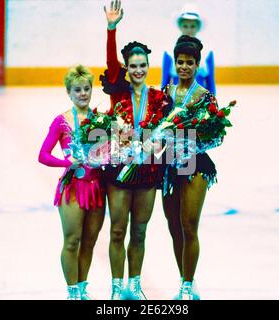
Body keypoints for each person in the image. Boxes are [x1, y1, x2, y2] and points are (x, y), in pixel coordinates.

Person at [101, 0, 170, 300]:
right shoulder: (117, 89)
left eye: (143, 66)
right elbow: (109, 62)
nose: (138, 70)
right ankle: (117, 287)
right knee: (118, 230)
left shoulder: (158, 98)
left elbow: (168, 132)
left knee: (139, 232)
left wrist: (161, 143)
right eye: (133, 66)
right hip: (119, 168)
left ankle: (134, 285)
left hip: (148, 171)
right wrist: (112, 29)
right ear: (126, 68)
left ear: (148, 67)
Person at [38, 65, 106, 300]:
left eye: (87, 88)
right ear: (69, 92)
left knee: (89, 241)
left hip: (97, 186)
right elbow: (43, 155)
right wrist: (67, 163)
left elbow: (109, 151)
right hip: (73, 187)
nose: (83, 93)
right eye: (77, 90)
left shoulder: (100, 120)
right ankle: (72, 292)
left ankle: (83, 288)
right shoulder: (61, 121)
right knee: (72, 240)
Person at [162, 35, 217, 300]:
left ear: (197, 65)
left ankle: (186, 286)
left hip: (195, 164)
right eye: (180, 62)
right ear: (175, 63)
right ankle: (185, 279)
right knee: (173, 225)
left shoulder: (205, 96)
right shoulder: (166, 94)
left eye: (190, 62)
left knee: (188, 224)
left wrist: (190, 147)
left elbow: (216, 136)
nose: (184, 67)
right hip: (168, 166)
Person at [161, 4, 216, 94]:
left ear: (198, 27)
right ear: (180, 26)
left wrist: (213, 103)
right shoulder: (169, 51)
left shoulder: (207, 52)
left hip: (200, 101)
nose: (189, 30)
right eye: (185, 26)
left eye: (192, 26)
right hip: (176, 101)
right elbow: (165, 81)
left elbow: (211, 82)